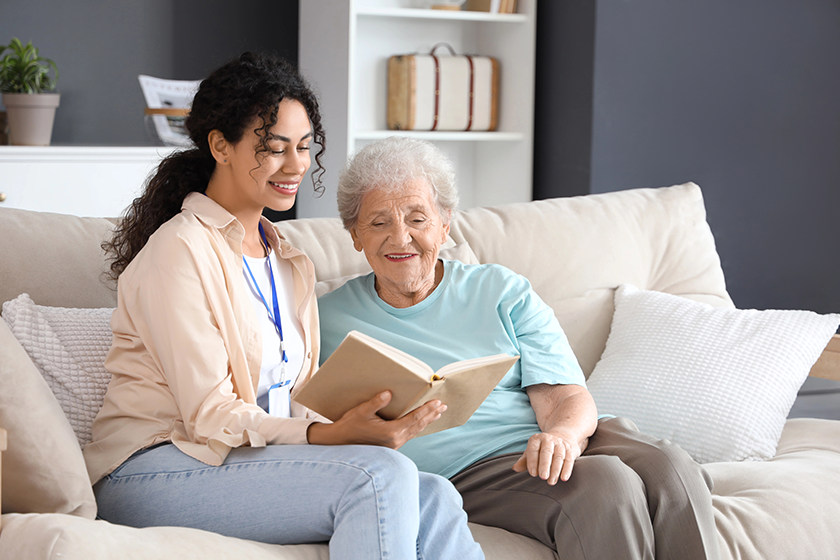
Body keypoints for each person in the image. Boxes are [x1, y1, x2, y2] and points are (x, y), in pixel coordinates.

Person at [84, 53, 484, 560]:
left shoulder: (289, 261)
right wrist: (327, 436)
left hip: (244, 460)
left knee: (437, 494)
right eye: (274, 149)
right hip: (153, 468)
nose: (296, 165)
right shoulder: (179, 250)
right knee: (377, 477)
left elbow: (294, 397)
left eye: (303, 147)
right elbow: (210, 415)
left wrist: (358, 423)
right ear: (220, 146)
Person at [317, 136, 721, 560]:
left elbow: (564, 394)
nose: (401, 238)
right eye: (379, 223)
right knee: (605, 485)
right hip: (470, 470)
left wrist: (562, 436)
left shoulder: (500, 289)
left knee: (671, 467)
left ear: (444, 224)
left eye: (417, 218)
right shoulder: (323, 320)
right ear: (355, 234)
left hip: (558, 433)